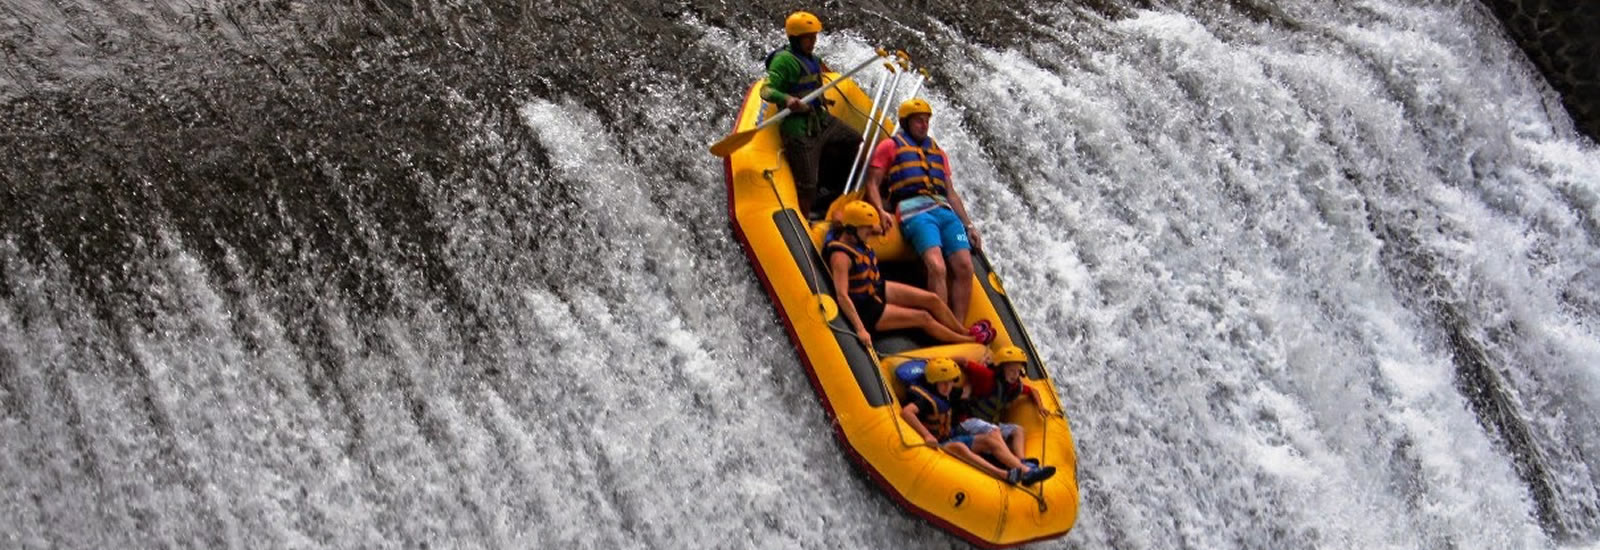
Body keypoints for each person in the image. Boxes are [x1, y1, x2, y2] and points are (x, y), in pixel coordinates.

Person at [863, 99, 984, 329]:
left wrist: (969, 225)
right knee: (937, 266)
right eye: (919, 120)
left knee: (965, 267)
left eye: (926, 120)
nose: (924, 125)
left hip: (944, 211)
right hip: (913, 211)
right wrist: (880, 211)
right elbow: (872, 182)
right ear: (906, 122)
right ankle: (942, 327)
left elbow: (951, 193)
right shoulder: (890, 146)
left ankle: (958, 326)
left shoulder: (937, 151)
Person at [826, 201, 975, 349]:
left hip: (874, 288)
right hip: (865, 308)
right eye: (868, 230)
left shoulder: (852, 232)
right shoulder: (841, 257)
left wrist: (881, 221)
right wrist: (860, 329)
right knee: (923, 317)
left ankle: (963, 331)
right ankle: (965, 341)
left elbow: (840, 215)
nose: (872, 233)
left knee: (933, 299)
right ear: (852, 230)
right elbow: (842, 296)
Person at [762, 11, 862, 219]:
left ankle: (829, 191)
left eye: (814, 37)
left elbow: (825, 73)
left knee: (853, 140)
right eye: (809, 38)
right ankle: (805, 218)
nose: (813, 42)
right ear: (796, 39)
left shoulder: (813, 59)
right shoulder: (783, 61)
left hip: (819, 120)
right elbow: (766, 90)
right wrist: (787, 99)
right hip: (798, 128)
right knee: (807, 185)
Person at [901, 358, 1055, 486]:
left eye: (950, 382)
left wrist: (981, 366)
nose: (947, 386)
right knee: (959, 446)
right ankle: (1004, 474)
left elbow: (966, 391)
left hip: (949, 435)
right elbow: (907, 412)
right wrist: (927, 435)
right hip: (940, 444)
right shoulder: (925, 399)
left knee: (991, 439)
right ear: (934, 382)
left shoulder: (949, 392)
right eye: (943, 383)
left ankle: (1025, 471)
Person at [954, 345, 1051, 466]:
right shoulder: (987, 376)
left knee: (1018, 430)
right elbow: (964, 362)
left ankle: (1022, 461)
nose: (1015, 375)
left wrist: (1040, 406)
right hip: (968, 422)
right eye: (1011, 371)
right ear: (1001, 369)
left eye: (1018, 371)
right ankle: (1016, 464)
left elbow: (1033, 391)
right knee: (994, 430)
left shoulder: (1013, 386)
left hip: (987, 425)